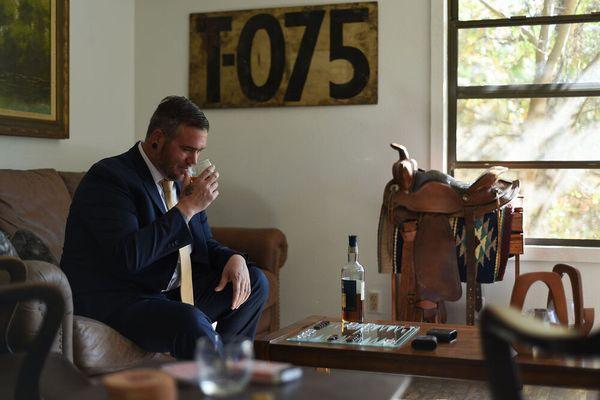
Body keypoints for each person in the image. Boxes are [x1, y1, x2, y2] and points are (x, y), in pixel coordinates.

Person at [60, 96, 268, 359]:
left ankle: (227, 371)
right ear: (157, 139)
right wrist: (188, 208)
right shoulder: (110, 178)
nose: (193, 160)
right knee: (189, 322)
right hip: (119, 297)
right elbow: (129, 258)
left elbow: (202, 246)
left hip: (166, 292)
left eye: (199, 151)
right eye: (186, 149)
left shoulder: (179, 178)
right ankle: (220, 381)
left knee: (255, 282)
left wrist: (233, 258)